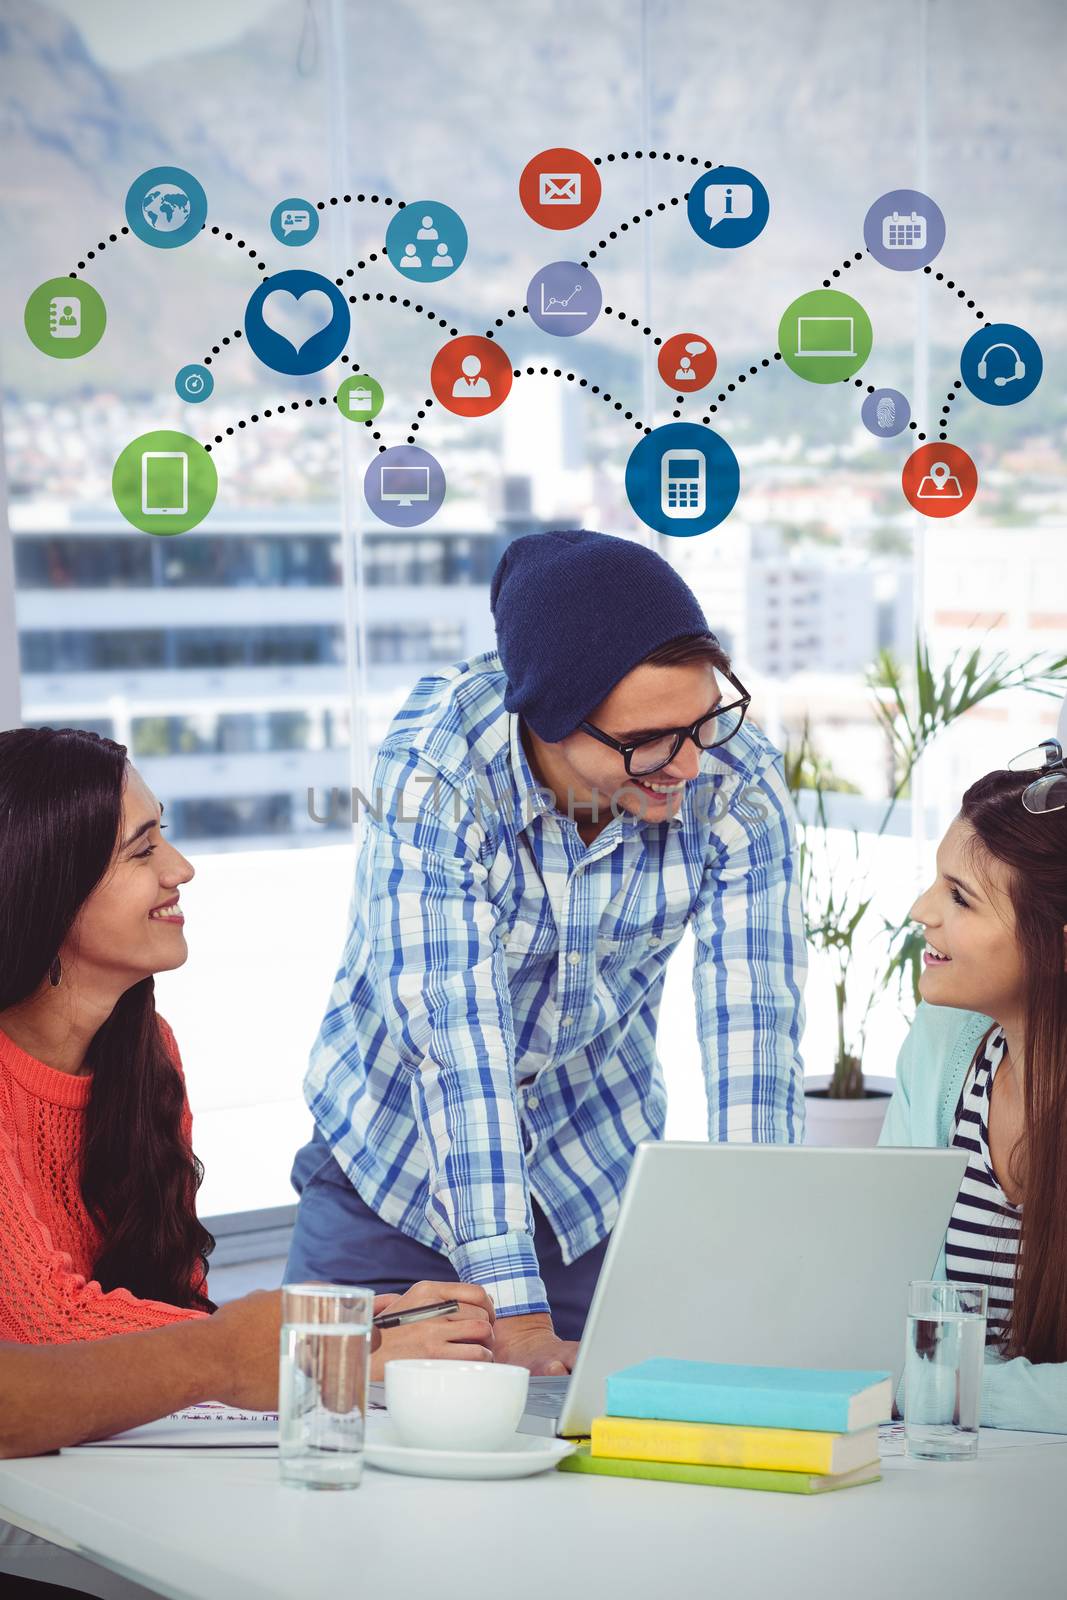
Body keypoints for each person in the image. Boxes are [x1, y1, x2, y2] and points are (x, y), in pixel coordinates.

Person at [287, 529, 807, 1376]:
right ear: (549, 715)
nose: (685, 763)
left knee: (583, 1469)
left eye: (702, 719)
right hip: (390, 1172)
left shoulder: (731, 776)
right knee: (321, 1431)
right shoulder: (436, 771)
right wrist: (513, 1316)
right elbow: (455, 1045)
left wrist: (757, 1269)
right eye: (646, 740)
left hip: (583, 1177)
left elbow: (754, 1022)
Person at [0, 727, 494, 1593]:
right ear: (46, 879)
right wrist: (333, 1337)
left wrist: (362, 1328)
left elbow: (161, 1306)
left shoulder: (143, 1053)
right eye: (142, 848)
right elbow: (43, 1325)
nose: (180, 868)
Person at [879, 745, 1067, 1429]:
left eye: (959, 896)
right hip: (945, 1474)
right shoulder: (938, 1047)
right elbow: (877, 1291)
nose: (919, 909)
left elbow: (912, 1374)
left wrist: (940, 1389)